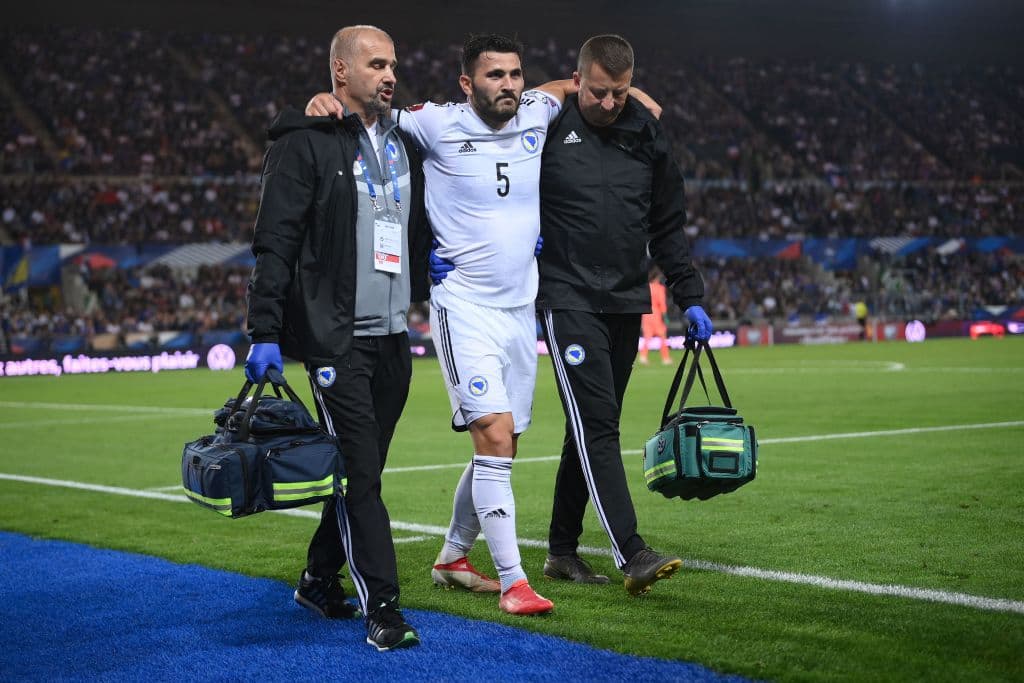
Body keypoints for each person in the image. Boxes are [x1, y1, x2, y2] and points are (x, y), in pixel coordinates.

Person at [307, 33, 596, 616]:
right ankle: (514, 581)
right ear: (468, 83)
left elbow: (574, 83)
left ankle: (452, 558)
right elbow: (368, 109)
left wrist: (631, 89)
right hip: (462, 306)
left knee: (505, 444)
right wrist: (321, 98)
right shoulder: (433, 123)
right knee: (491, 436)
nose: (508, 85)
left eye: (515, 74)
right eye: (494, 76)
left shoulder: (537, 109)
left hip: (521, 309)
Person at [244, 25, 431, 651]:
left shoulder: (405, 142)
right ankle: (384, 609)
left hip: (394, 336)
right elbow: (275, 242)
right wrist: (263, 330)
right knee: (361, 475)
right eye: (376, 64)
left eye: (393, 64)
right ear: (339, 73)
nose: (389, 75)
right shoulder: (307, 141)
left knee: (361, 470)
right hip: (335, 339)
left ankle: (319, 579)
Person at [534, 35, 713, 595]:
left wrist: (692, 295)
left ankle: (562, 550)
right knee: (600, 425)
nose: (609, 104)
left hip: (627, 300)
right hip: (567, 297)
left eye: (619, 92)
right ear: (575, 79)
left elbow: (667, 225)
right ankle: (630, 550)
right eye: (596, 91)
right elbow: (493, 114)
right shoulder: (545, 124)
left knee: (585, 429)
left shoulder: (647, 132)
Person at [639, 266, 672, 365]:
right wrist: (665, 316)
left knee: (647, 337)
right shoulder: (659, 288)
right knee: (662, 336)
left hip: (646, 314)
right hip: (656, 314)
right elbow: (662, 303)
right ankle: (665, 358)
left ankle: (643, 356)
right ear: (658, 277)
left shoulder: (647, 287)